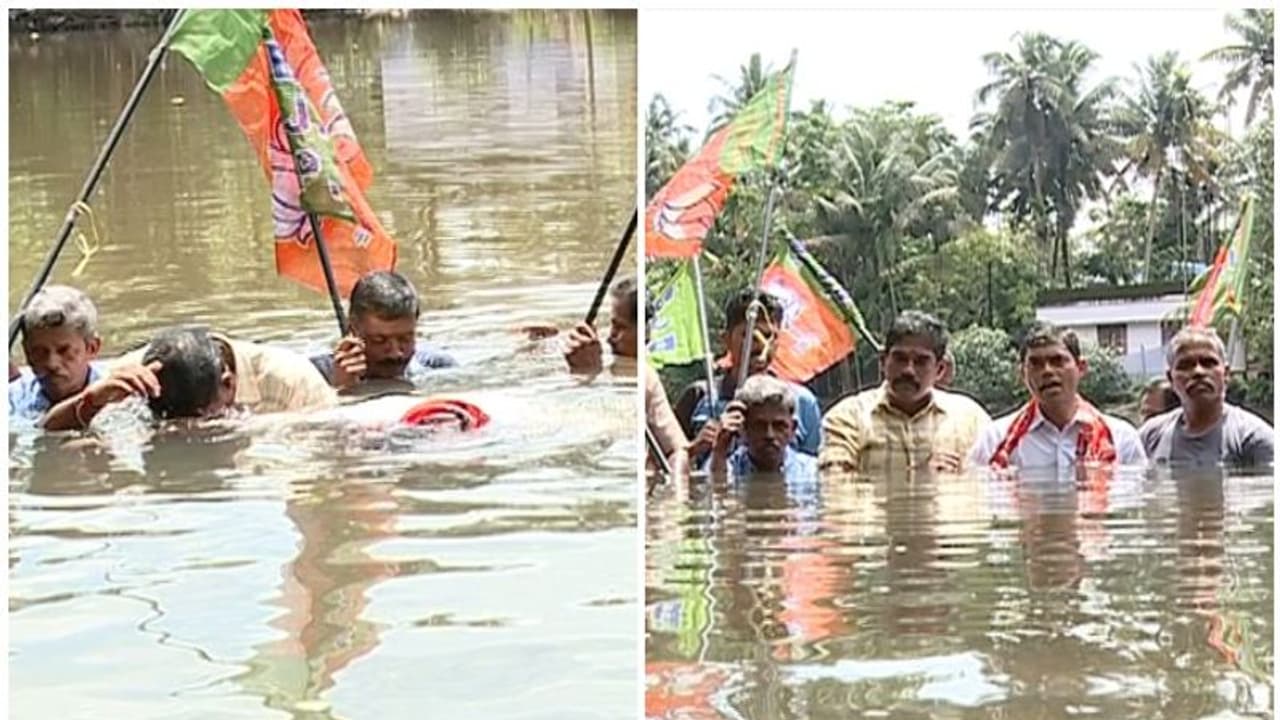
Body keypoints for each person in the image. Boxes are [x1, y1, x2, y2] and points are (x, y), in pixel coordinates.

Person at [43, 327, 337, 430]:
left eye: (204, 419)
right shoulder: (131, 375)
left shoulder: (295, 381)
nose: (191, 433)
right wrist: (92, 401)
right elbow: (47, 430)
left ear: (228, 382)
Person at [820, 311, 990, 474]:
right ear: (883, 362)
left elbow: (993, 484)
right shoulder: (847, 418)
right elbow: (835, 488)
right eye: (900, 359)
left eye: (921, 362)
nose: (908, 370)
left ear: (939, 370)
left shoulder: (971, 419)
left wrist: (961, 474)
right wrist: (922, 478)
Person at [968, 322, 1146, 470]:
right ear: (1022, 374)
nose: (1047, 371)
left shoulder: (1121, 438)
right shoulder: (995, 440)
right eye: (1036, 364)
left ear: (1081, 367)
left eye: (1057, 361)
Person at [562, 278, 690, 480]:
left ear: (644, 333)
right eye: (611, 326)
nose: (610, 337)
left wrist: (675, 493)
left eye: (619, 328)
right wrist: (584, 375)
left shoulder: (645, 377)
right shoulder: (584, 355)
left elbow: (678, 450)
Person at [677, 289, 822, 458]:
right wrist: (694, 448)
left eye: (768, 336)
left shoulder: (803, 403)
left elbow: (816, 472)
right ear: (727, 340)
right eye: (749, 335)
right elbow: (660, 465)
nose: (760, 346)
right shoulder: (699, 397)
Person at [1139, 326, 1273, 466]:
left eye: (1208, 363)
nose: (1198, 372)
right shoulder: (1150, 436)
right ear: (1170, 379)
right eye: (1185, 365)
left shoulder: (1253, 437)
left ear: (1226, 374)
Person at [312, 271, 456, 390]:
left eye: (405, 339)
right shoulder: (312, 376)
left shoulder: (437, 367)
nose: (395, 353)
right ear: (353, 328)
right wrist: (342, 390)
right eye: (379, 341)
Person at [10, 285, 106, 421]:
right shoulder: (11, 400)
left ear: (92, 348)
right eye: (39, 352)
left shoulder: (119, 394)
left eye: (64, 350)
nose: (51, 363)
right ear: (26, 352)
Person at [707, 374, 817, 481]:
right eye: (759, 426)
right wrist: (720, 448)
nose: (769, 435)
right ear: (743, 428)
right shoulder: (726, 468)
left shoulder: (812, 472)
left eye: (779, 426)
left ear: (793, 429)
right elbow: (713, 488)